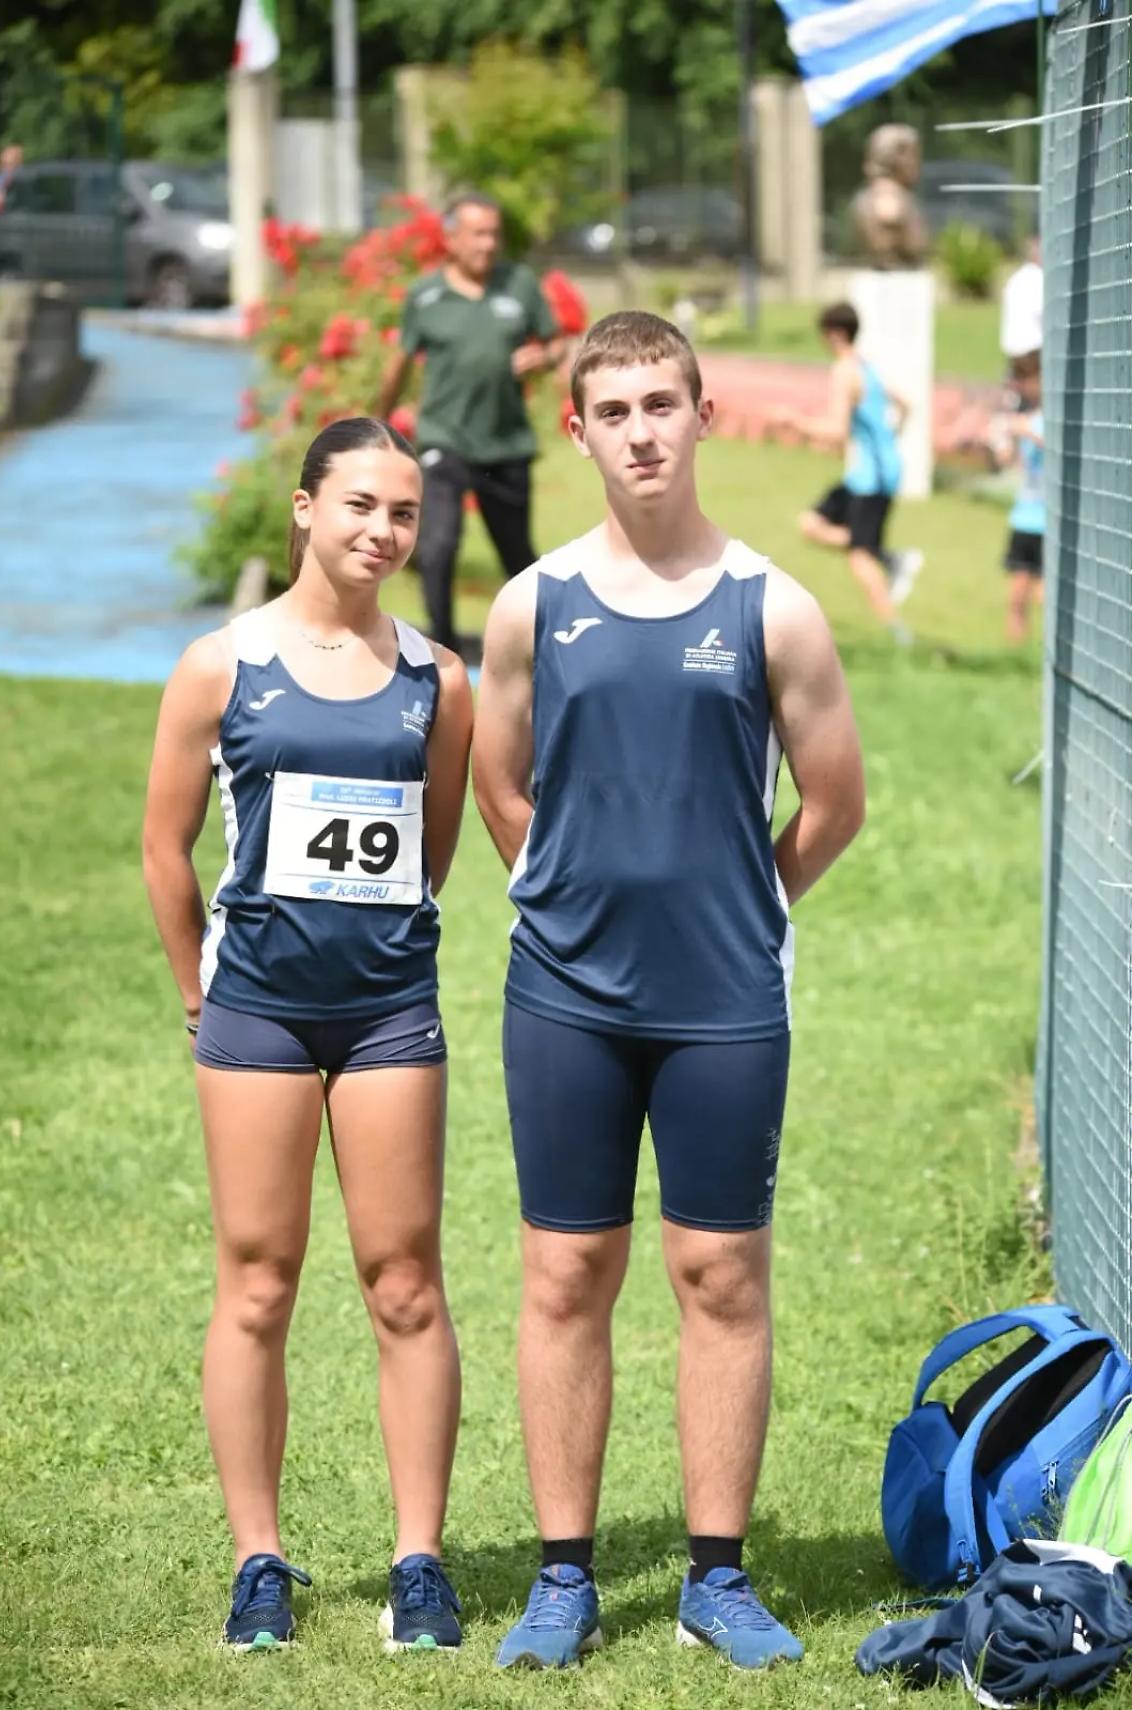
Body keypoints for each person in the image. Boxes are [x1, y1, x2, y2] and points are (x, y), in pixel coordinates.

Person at [472, 311, 866, 1672]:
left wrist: (737, 908)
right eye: (616, 409)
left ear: (703, 416)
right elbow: (500, 778)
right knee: (567, 1272)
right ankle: (563, 1576)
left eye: (664, 403)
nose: (643, 430)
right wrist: (574, 893)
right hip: (565, 999)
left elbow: (833, 801)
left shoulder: (775, 604)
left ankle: (717, 1574)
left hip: (724, 1003)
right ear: (575, 428)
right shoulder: (532, 602)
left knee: (721, 1274)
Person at [142, 417, 474, 1653]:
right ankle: (259, 1561)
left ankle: (420, 1564)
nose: (384, 531)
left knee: (405, 1282)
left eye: (403, 513)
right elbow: (164, 847)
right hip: (257, 1015)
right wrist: (198, 994)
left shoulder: (441, 681)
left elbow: (430, 852)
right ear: (303, 509)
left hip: (390, 1014)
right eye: (361, 507)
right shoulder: (221, 666)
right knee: (259, 1282)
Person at [377, 191, 568, 648]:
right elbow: (399, 364)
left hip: (505, 444)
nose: (488, 244)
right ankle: (442, 652)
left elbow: (559, 343)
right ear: (452, 240)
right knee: (439, 547)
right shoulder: (426, 297)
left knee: (518, 558)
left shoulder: (519, 284)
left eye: (494, 234)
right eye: (478, 234)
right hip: (445, 439)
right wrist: (377, 428)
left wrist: (543, 356)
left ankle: (549, 645)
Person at [776, 301, 923, 639]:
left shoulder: (844, 371)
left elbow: (837, 431)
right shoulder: (865, 365)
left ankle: (898, 634)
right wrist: (888, 436)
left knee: (859, 557)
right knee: (811, 524)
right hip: (874, 472)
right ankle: (891, 558)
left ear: (835, 333)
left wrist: (795, 423)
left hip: (871, 479)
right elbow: (905, 403)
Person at [988, 350, 1044, 644]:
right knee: (1016, 597)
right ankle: (1016, 654)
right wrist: (1002, 446)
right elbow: (1008, 460)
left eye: (1027, 378)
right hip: (1025, 516)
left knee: (1045, 598)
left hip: (1051, 521)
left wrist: (1027, 431)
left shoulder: (1051, 419)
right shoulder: (1026, 417)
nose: (1023, 386)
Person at [1000, 237, 1043, 366]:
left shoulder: (1015, 278)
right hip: (1032, 348)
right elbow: (1041, 311)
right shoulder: (1038, 277)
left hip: (1012, 348)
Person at [0, 143, 22, 215]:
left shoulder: (24, 183)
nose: (5, 168)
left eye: (10, 164)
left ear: (19, 165)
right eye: (3, 164)